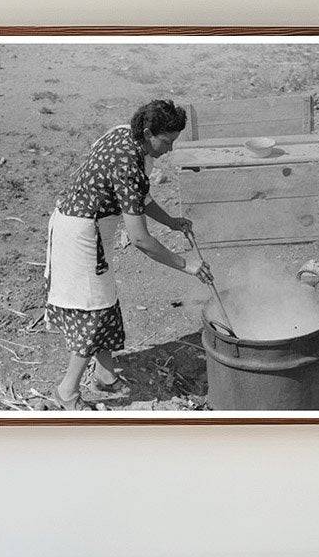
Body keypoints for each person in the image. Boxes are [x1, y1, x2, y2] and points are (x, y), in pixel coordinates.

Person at [44, 99, 212, 410]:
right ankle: (67, 392)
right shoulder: (128, 164)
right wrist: (186, 264)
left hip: (87, 228)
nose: (170, 149)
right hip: (80, 236)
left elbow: (139, 197)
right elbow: (141, 240)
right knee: (92, 313)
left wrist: (172, 222)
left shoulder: (124, 134)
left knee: (104, 303)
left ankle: (105, 377)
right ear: (149, 132)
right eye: (167, 141)